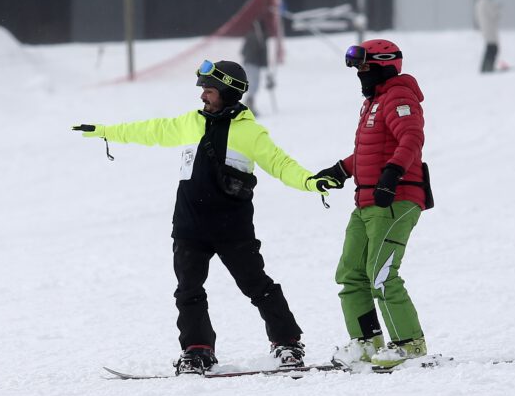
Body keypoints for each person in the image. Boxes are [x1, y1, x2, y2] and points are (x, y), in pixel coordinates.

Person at [72, 60, 334, 375]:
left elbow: (281, 164)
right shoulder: (190, 123)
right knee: (188, 290)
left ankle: (287, 343)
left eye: (209, 91)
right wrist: (105, 131)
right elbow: (150, 130)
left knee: (257, 285)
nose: (202, 96)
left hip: (232, 228)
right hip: (189, 226)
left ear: (228, 91)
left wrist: (310, 181)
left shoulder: (249, 132)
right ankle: (197, 350)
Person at [310, 39, 432, 370]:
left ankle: (409, 344)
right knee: (351, 272)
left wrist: (392, 174)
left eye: (365, 67)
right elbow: (370, 151)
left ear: (384, 65)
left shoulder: (399, 96)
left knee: (381, 273)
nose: (360, 74)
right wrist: (340, 170)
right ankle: (366, 342)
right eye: (358, 68)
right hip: (366, 201)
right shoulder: (373, 101)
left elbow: (411, 138)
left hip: (396, 199)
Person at [240, 19, 273, 115]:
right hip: (253, 63)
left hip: (249, 63)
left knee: (253, 84)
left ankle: (249, 104)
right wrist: (264, 65)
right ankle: (249, 105)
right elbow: (263, 54)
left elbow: (242, 51)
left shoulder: (254, 36)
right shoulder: (259, 38)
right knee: (254, 85)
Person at [474, 0, 501, 73]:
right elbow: (494, 15)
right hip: (489, 28)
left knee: (490, 47)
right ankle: (488, 68)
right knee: (493, 48)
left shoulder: (479, 1)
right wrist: (498, 9)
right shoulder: (486, 1)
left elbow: (477, 17)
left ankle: (485, 68)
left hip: (485, 28)